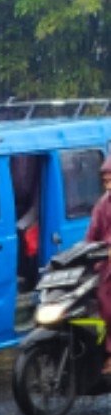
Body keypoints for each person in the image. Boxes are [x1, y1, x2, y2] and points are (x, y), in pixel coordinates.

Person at [86, 154, 111, 372]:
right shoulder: (102, 205)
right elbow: (91, 235)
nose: (107, 181)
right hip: (105, 264)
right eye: (105, 178)